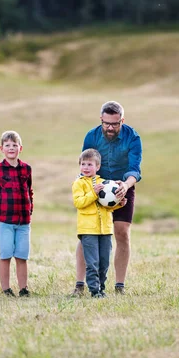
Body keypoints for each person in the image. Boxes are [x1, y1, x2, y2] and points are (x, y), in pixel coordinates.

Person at [73, 101, 142, 296]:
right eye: (106, 124)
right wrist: (90, 188)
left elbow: (134, 169)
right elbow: (85, 163)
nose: (110, 128)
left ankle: (119, 286)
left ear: (122, 120)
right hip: (96, 188)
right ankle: (80, 285)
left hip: (122, 187)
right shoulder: (92, 136)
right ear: (101, 120)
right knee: (88, 234)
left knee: (122, 233)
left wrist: (125, 186)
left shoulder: (133, 138)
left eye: (115, 124)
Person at [0, 131, 33, 297]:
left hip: (23, 222)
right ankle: (6, 289)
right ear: (2, 149)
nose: (11, 148)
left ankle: (23, 289)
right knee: (6, 254)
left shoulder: (26, 169)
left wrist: (30, 210)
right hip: (5, 221)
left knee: (22, 256)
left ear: (20, 148)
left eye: (15, 145)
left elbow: (29, 191)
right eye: (8, 145)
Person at [73, 149, 127, 298]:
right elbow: (79, 202)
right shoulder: (79, 183)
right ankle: (94, 290)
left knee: (104, 262)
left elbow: (107, 205)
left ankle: (101, 288)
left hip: (105, 229)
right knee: (92, 262)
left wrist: (119, 204)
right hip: (88, 229)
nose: (85, 167)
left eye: (89, 164)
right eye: (83, 164)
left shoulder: (105, 183)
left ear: (97, 166)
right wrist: (93, 193)